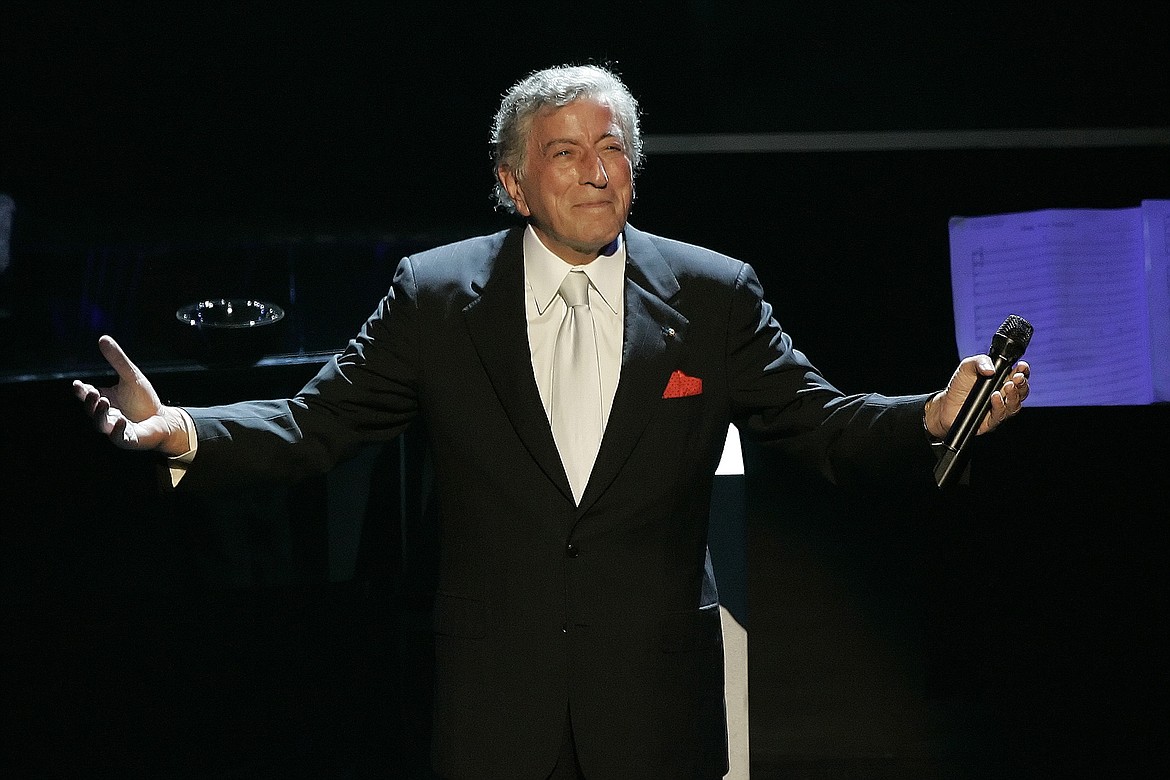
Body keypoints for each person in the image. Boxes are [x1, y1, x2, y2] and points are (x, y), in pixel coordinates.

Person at [73, 64, 1030, 779]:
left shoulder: (712, 292)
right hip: (496, 710)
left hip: (656, 708)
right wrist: (186, 430)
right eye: (566, 152)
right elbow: (315, 423)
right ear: (513, 182)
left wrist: (931, 419)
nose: (596, 171)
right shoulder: (437, 295)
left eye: (613, 148)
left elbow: (822, 424)